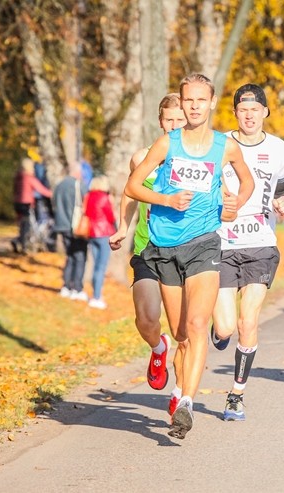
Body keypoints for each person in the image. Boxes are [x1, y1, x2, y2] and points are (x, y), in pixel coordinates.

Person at [125, 73, 254, 439]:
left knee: (199, 326)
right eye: (189, 100)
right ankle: (174, 376)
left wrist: (234, 206)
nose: (195, 106)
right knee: (181, 332)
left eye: (201, 100)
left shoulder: (225, 147)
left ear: (212, 102)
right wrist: (165, 199)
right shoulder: (167, 144)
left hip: (204, 244)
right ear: (181, 103)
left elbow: (246, 182)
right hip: (165, 246)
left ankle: (185, 404)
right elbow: (132, 185)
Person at [210, 83, 284, 421]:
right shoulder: (219, 146)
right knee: (227, 327)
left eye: (255, 109)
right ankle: (219, 331)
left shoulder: (279, 149)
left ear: (265, 113)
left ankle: (236, 394)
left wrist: (282, 202)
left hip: (260, 243)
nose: (249, 115)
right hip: (223, 243)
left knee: (248, 321)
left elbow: (283, 188)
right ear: (235, 113)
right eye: (243, 109)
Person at [109, 93, 187, 410]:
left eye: (180, 120)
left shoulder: (201, 157)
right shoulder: (143, 157)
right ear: (160, 121)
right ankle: (157, 348)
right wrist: (123, 226)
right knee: (146, 319)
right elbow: (131, 192)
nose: (174, 126)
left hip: (187, 251)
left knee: (185, 329)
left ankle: (182, 393)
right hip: (147, 248)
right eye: (169, 120)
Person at [53, 164, 89, 299]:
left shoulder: (59, 185)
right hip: (76, 226)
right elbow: (88, 202)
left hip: (62, 225)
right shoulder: (79, 186)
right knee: (80, 257)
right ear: (77, 172)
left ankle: (66, 286)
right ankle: (77, 288)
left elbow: (54, 203)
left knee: (70, 255)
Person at [84, 175, 116, 309]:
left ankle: (95, 294)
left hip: (92, 233)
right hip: (103, 233)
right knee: (101, 267)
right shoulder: (104, 197)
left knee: (96, 265)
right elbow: (111, 216)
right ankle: (97, 296)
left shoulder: (88, 196)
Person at [12, 158, 53, 254]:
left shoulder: (18, 177)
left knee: (22, 224)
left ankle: (19, 241)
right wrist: (51, 194)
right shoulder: (29, 178)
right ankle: (23, 244)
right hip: (26, 204)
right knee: (28, 225)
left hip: (17, 203)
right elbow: (41, 189)